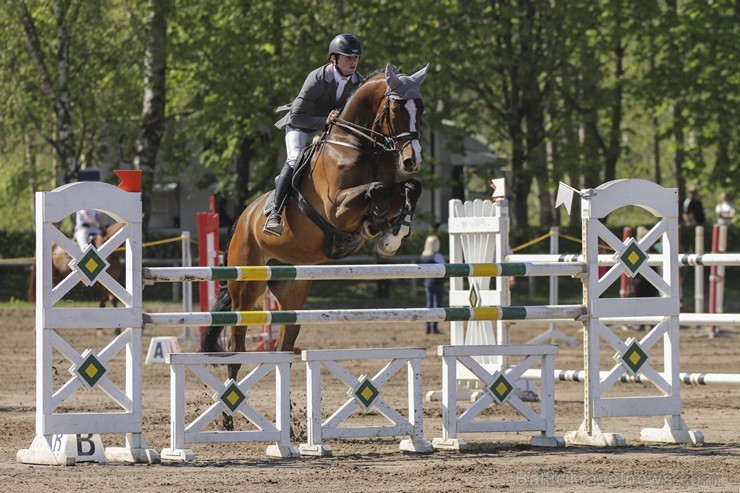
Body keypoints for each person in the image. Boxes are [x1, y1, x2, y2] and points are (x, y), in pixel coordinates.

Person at [264, 33, 364, 236]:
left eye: (356, 58)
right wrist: (324, 121)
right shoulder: (317, 78)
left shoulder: (358, 82)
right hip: (301, 126)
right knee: (294, 160)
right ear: (334, 58)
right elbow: (296, 116)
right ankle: (275, 212)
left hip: (328, 130)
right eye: (348, 57)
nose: (353, 62)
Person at [420, 235, 445, 334]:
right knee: (437, 305)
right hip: (438, 283)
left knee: (428, 305)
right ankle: (434, 327)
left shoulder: (423, 255)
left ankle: (427, 327)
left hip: (428, 282)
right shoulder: (437, 256)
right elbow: (444, 266)